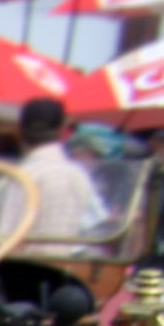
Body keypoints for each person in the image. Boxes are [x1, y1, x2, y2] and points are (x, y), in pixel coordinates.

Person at [17, 95, 105, 245]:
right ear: (63, 132)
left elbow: (2, 237)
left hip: (27, 264)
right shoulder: (78, 175)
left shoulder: (18, 176)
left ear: (19, 131)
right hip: (72, 263)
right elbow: (97, 224)